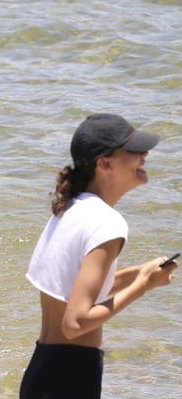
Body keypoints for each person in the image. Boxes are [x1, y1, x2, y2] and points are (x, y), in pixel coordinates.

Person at [20, 113, 173, 399]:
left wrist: (138, 273)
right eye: (134, 151)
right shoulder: (107, 223)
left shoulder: (71, 209)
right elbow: (76, 322)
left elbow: (75, 290)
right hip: (71, 377)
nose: (145, 154)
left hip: (42, 372)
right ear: (105, 164)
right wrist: (143, 286)